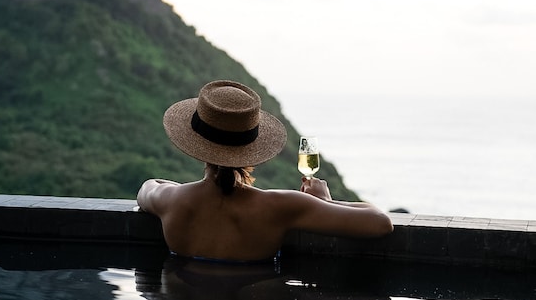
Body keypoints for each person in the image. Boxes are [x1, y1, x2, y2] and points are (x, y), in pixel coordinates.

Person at [137, 80, 393, 263]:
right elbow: (380, 223)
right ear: (252, 147)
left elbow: (147, 187)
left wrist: (179, 189)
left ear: (195, 143)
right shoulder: (281, 206)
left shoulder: (171, 199)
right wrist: (326, 202)